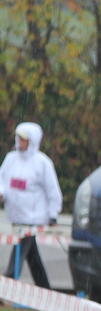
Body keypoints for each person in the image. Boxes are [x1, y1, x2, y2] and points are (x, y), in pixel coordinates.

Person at [0, 122, 62, 290]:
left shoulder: (42, 163)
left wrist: (53, 214)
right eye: (18, 138)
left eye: (23, 139)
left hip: (32, 219)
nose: (19, 142)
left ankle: (6, 286)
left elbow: (52, 191)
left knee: (20, 249)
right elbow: (2, 179)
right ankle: (45, 290)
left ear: (32, 141)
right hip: (16, 216)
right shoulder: (10, 159)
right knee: (32, 256)